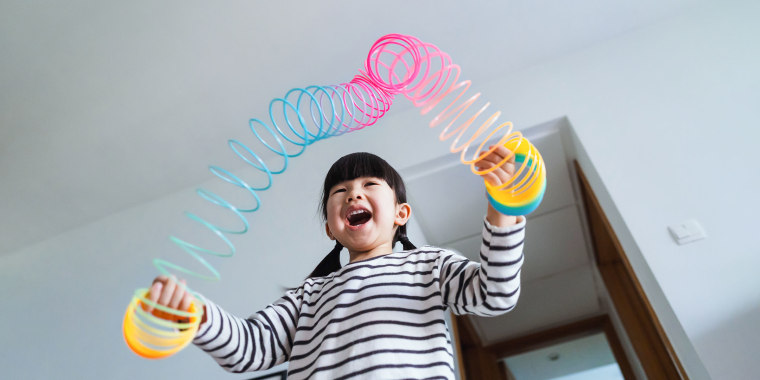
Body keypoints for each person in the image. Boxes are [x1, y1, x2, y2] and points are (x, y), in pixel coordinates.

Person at [146, 149, 526, 379]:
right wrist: (194, 315)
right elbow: (249, 348)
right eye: (340, 191)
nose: (353, 193)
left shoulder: (428, 265)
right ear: (330, 228)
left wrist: (502, 210)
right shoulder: (308, 296)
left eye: (369, 185)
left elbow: (496, 293)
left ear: (401, 213)